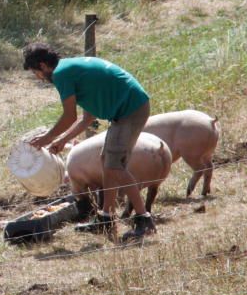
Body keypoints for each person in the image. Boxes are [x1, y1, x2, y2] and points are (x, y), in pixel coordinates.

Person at [23, 42, 156, 241]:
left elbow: (69, 117)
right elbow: (88, 117)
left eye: (36, 72)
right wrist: (62, 140)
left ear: (43, 65)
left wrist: (46, 138)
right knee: (107, 162)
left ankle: (144, 220)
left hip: (131, 109)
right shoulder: (71, 69)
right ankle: (106, 219)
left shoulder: (61, 74)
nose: (38, 78)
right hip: (129, 108)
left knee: (115, 166)